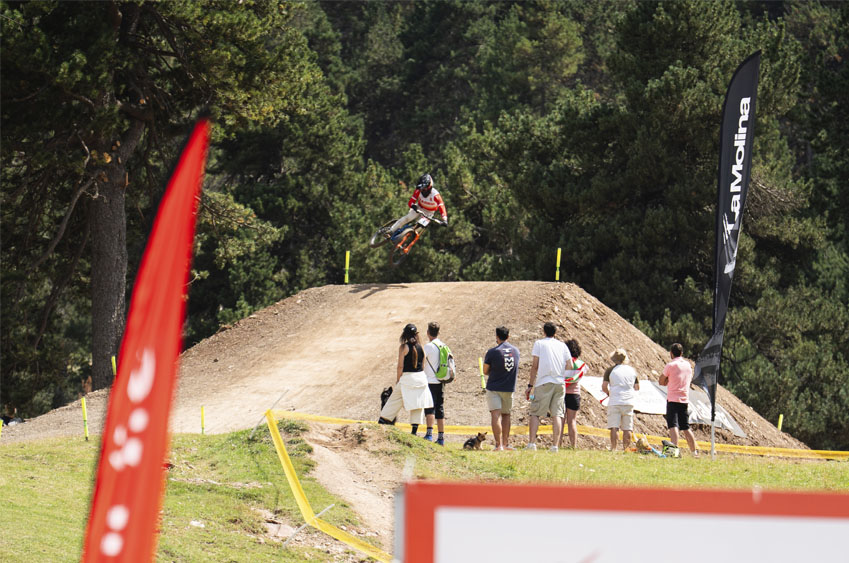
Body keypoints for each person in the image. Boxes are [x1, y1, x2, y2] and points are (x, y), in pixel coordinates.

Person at [378, 324, 433, 435]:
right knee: (418, 404)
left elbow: (400, 366)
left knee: (394, 401)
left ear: (404, 334)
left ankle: (383, 420)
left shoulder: (403, 347)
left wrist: (398, 380)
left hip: (407, 377)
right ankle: (414, 431)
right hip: (421, 378)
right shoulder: (421, 346)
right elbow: (423, 364)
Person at [525, 322, 571, 452]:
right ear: (556, 333)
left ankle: (532, 444)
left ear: (543, 331)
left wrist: (530, 385)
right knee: (557, 414)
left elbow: (535, 365)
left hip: (544, 381)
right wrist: (562, 374)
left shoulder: (539, 344)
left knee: (535, 413)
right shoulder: (562, 346)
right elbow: (570, 365)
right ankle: (555, 446)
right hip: (559, 382)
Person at [483, 326, 520, 451]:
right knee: (506, 415)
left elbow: (485, 370)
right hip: (509, 387)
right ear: (508, 336)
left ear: (497, 336)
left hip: (494, 387)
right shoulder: (516, 351)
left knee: (495, 414)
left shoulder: (492, 352)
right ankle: (506, 443)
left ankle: (498, 445)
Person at [659, 343, 699, 457]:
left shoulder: (670, 365)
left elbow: (661, 381)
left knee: (673, 426)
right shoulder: (687, 366)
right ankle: (694, 452)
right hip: (684, 399)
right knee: (686, 427)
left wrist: (668, 380)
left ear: (671, 353)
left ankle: (674, 451)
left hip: (672, 399)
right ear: (682, 353)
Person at [602, 348, 640, 451]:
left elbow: (604, 386)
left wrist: (609, 393)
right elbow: (637, 387)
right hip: (628, 401)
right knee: (627, 427)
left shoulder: (610, 371)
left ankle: (613, 448)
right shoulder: (632, 371)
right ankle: (626, 448)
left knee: (614, 426)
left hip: (615, 401)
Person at [423, 322, 453, 445]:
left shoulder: (428, 347)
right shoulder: (444, 346)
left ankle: (429, 434)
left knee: (430, 407)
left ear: (428, 332)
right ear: (438, 332)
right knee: (440, 408)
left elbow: (421, 362)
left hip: (429, 381)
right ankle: (441, 437)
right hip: (440, 381)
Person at [559, 339, 587, 449]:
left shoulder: (562, 363)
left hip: (561, 393)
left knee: (560, 420)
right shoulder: (581, 364)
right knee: (572, 421)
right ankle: (573, 446)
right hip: (574, 394)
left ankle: (557, 444)